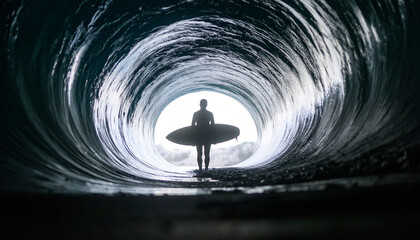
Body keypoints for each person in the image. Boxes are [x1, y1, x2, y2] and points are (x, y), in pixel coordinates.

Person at [191, 99, 214, 171]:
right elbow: (213, 126)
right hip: (207, 135)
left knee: (200, 154)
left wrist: (192, 138)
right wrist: (214, 137)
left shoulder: (196, 114)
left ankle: (200, 169)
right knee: (206, 154)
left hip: (198, 135)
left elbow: (192, 126)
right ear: (206, 105)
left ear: (200, 104)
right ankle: (206, 169)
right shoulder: (210, 114)